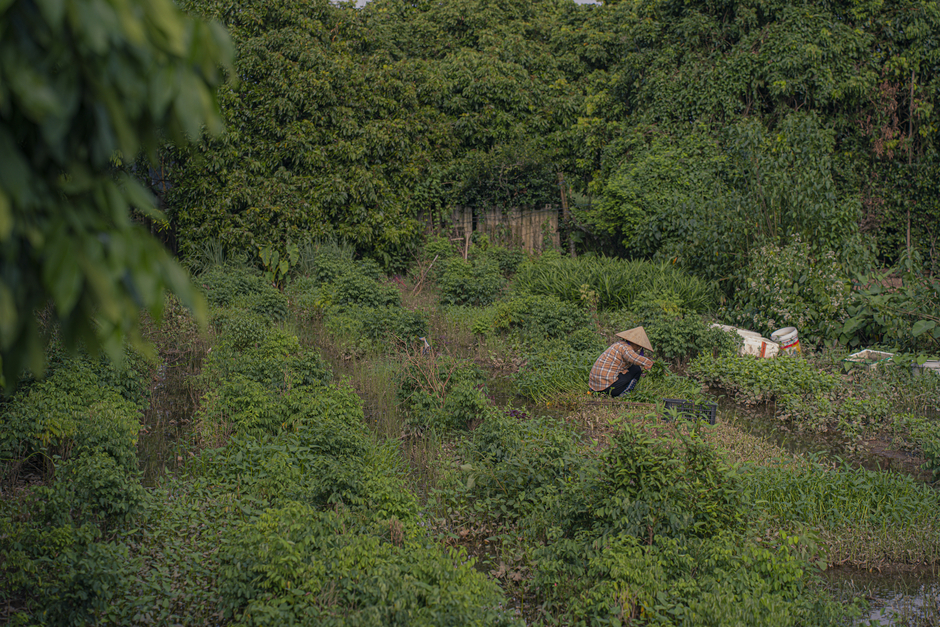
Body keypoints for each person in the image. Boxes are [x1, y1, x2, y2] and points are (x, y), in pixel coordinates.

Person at [589, 327, 654, 397]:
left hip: (595, 386)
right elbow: (634, 358)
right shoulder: (625, 348)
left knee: (634, 367)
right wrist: (649, 363)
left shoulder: (619, 344)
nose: (638, 348)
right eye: (638, 346)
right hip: (606, 387)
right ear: (633, 342)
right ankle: (626, 393)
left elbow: (630, 362)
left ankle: (597, 391)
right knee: (636, 369)